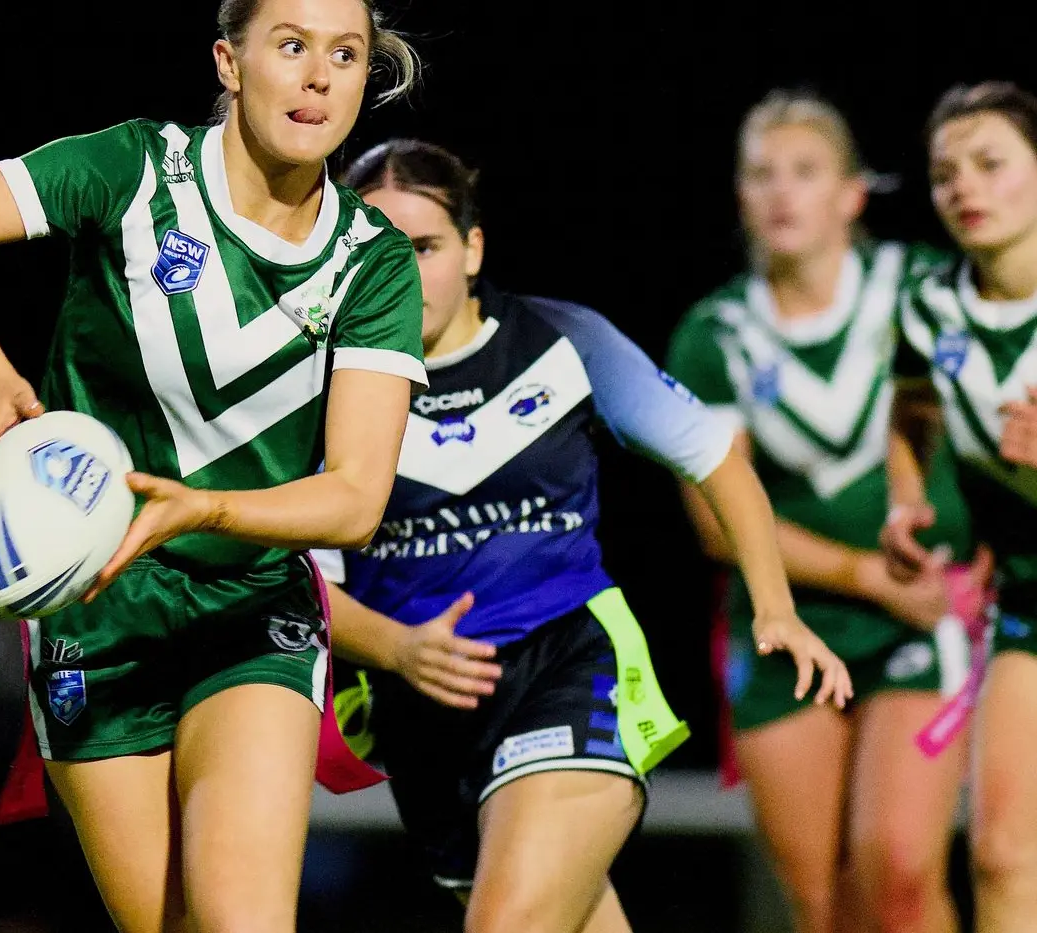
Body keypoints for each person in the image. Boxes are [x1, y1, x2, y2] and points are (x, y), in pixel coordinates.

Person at [0, 2, 428, 931]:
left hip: (248, 607)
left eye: (345, 54)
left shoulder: (372, 263)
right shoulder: (131, 169)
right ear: (229, 63)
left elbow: (354, 499)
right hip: (96, 610)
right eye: (291, 45)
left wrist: (197, 511)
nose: (319, 74)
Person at [315, 138, 852, 933]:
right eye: (373, 251)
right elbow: (303, 578)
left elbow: (719, 464)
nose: (399, 273)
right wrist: (395, 647)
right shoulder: (320, 386)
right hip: (419, 713)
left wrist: (774, 605)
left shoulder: (564, 342)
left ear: (472, 248)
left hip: (567, 665)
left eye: (423, 247)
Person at [665, 88, 990, 933]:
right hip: (787, 626)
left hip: (924, 618)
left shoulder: (920, 287)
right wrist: (865, 575)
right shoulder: (716, 333)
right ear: (740, 197)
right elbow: (716, 521)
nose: (780, 193)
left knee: (899, 871)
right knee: (819, 899)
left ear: (852, 194)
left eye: (804, 172)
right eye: (761, 175)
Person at [884, 80, 1037, 933]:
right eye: (946, 174)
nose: (965, 188)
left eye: (990, 163)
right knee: (1002, 856)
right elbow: (911, 410)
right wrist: (908, 499)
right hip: (1027, 598)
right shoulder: (930, 303)